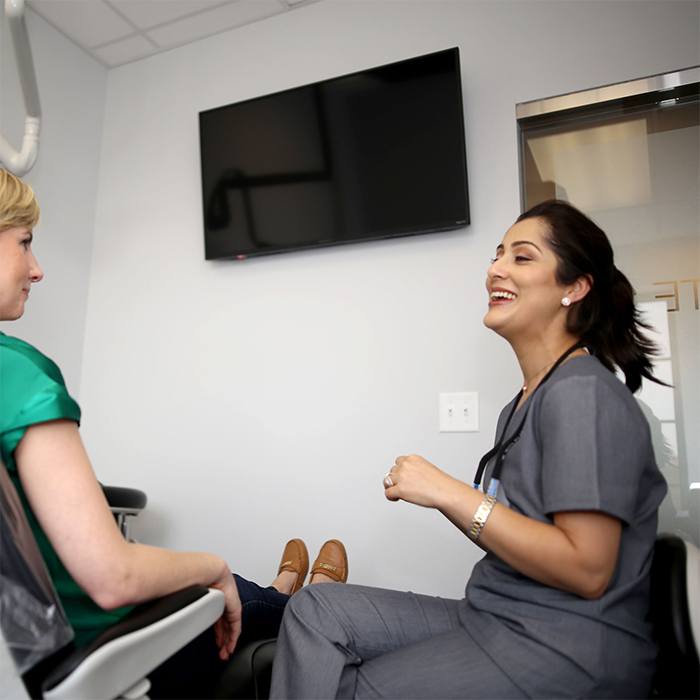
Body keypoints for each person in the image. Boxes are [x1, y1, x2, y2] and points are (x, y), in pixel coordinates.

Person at [269, 200, 667, 699]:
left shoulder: (582, 392)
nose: (495, 268)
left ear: (575, 286)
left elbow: (586, 569)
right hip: (495, 613)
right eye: (498, 255)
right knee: (315, 609)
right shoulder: (522, 404)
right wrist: (443, 498)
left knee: (347, 689)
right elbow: (519, 535)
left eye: (521, 257)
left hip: (565, 642)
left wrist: (448, 492)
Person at [0, 168, 349, 698]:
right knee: (228, 589)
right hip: (99, 647)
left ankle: (283, 588)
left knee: (222, 583)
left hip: (24, 652)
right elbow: (112, 577)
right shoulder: (17, 372)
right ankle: (308, 598)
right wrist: (215, 565)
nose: (37, 268)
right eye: (24, 243)